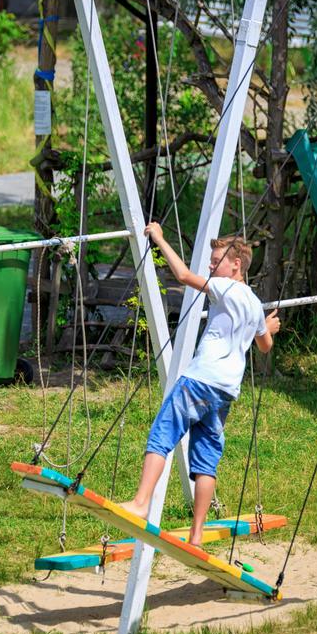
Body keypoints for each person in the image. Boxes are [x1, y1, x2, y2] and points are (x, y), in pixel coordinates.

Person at [122, 222, 281, 547]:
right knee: (205, 459)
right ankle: (196, 534)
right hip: (225, 391)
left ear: (236, 265)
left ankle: (140, 503)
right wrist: (266, 327)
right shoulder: (253, 302)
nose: (210, 266)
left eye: (215, 260)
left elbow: (182, 276)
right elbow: (265, 347)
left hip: (200, 380)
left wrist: (160, 239)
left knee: (162, 434)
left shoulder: (226, 288)